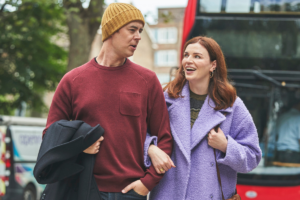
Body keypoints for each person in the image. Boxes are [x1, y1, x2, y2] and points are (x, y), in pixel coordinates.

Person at [43, 3, 173, 200]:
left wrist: (147, 183)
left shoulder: (147, 80)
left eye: (140, 30)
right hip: (83, 189)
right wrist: (78, 146)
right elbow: (50, 134)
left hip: (131, 192)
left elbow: (164, 137)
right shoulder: (73, 80)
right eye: (132, 29)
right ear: (112, 29)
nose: (138, 36)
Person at [145, 36, 262, 200]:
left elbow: (253, 157)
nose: (188, 60)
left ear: (213, 65)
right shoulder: (166, 99)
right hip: (168, 194)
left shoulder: (231, 105)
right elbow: (139, 134)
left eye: (197, 56)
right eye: (186, 55)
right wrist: (150, 148)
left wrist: (226, 146)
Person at [276, 98, 300, 164]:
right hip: (293, 152)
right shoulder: (298, 117)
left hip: (280, 152)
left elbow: (276, 136)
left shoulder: (282, 117)